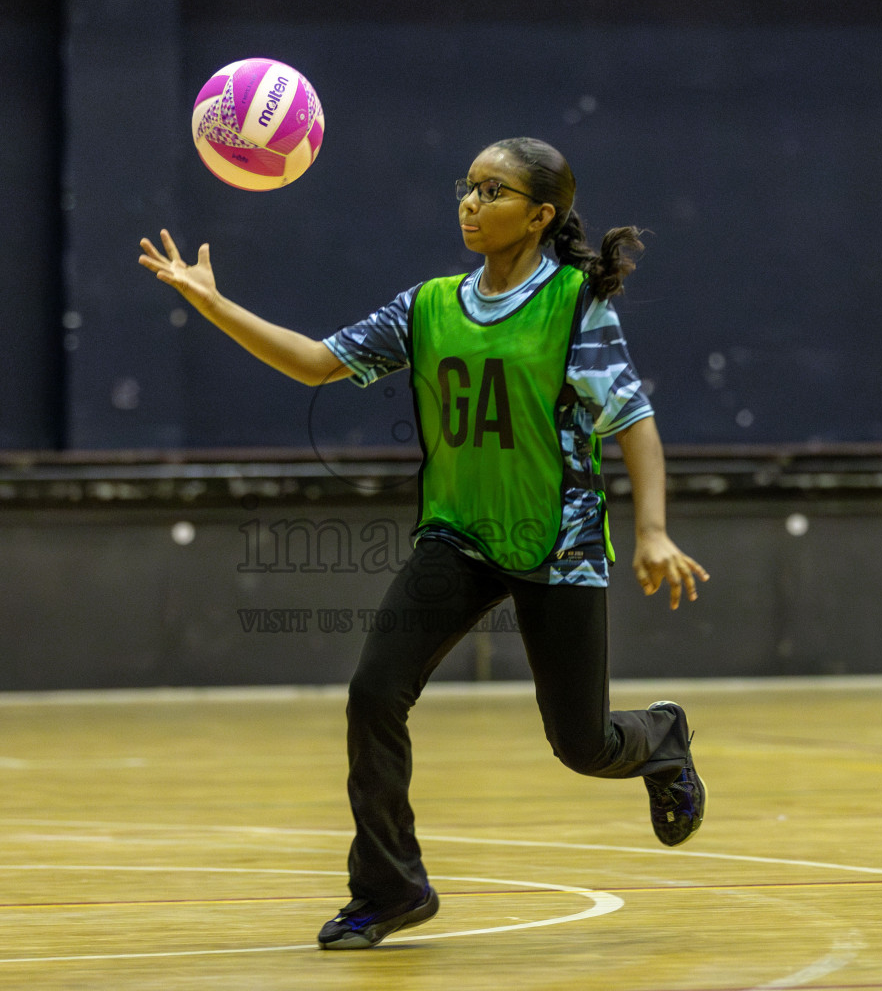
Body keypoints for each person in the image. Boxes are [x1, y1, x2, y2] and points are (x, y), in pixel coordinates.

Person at [139, 136, 710, 951]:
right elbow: (315, 363)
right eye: (467, 187)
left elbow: (634, 422)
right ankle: (390, 888)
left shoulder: (577, 303)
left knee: (582, 748)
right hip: (457, 534)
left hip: (558, 541)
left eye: (493, 191)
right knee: (374, 693)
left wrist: (651, 530)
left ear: (540, 215)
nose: (470, 204)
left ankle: (660, 737)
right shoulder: (428, 304)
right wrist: (213, 304)